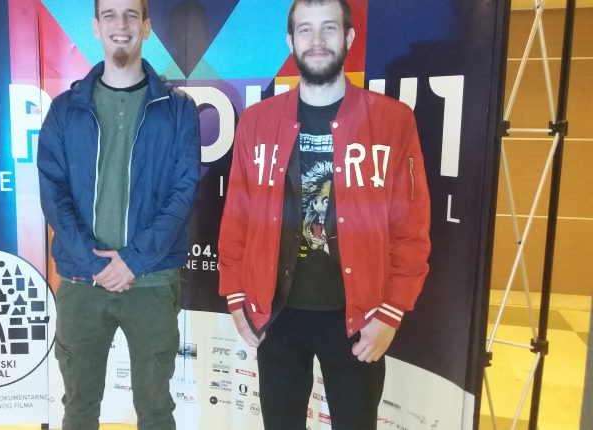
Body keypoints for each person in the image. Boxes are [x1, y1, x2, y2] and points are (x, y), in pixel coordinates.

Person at [218, 0, 431, 428]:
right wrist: (236, 297)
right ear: (290, 41)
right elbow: (237, 215)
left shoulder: (393, 121)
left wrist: (391, 312)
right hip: (276, 317)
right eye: (305, 29)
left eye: (329, 28)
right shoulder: (257, 122)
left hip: (358, 319)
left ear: (348, 37)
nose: (316, 40)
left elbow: (411, 227)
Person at [37, 0, 200, 428]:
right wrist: (96, 265)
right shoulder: (64, 110)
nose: (120, 24)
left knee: (157, 410)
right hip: (81, 283)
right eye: (109, 14)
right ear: (95, 27)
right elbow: (53, 195)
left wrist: (133, 260)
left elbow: (183, 193)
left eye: (131, 14)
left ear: (146, 26)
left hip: (152, 282)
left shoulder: (179, 110)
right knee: (79, 409)